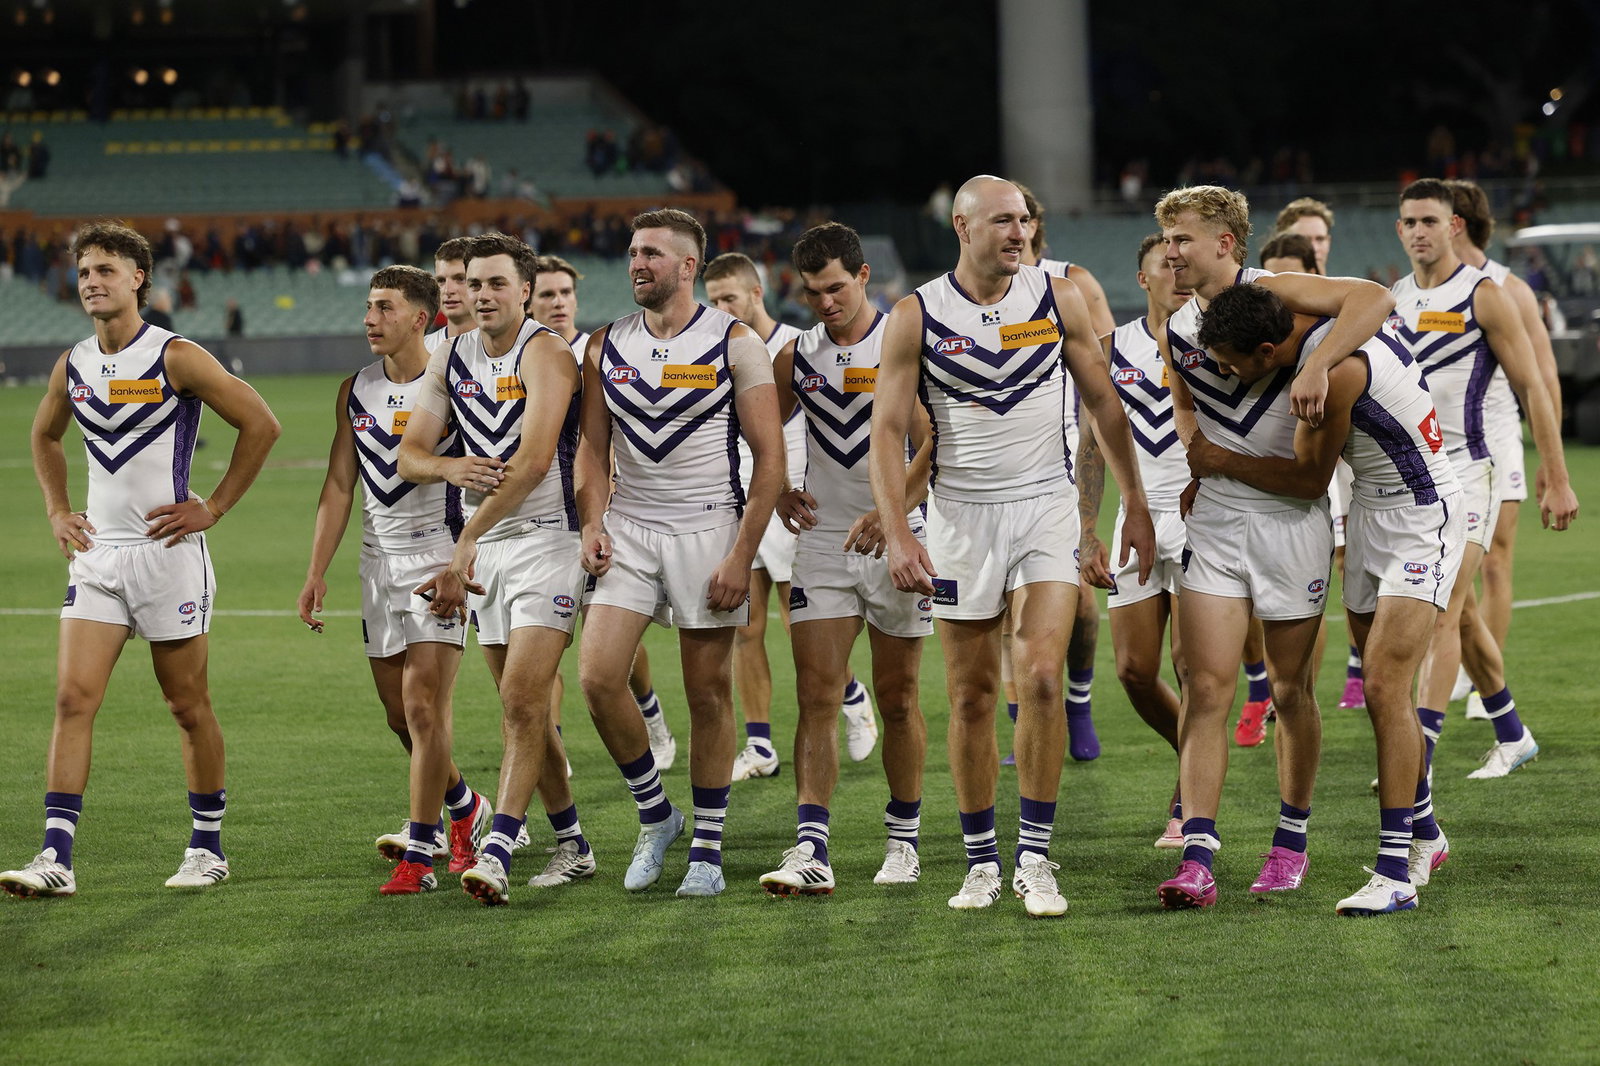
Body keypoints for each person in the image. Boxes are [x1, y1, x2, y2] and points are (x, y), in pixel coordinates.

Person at [870, 176, 1156, 917]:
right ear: (961, 225)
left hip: (1044, 510)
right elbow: (885, 434)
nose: (1018, 232)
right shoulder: (915, 315)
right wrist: (900, 528)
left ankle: (1034, 858)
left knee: (1037, 676)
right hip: (961, 517)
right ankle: (978, 863)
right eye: (1002, 220)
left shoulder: (1056, 298)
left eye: (1025, 219)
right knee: (969, 695)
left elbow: (1104, 406)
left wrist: (1134, 509)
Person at [2, 221, 281, 898]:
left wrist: (211, 507)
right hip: (98, 557)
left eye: (106, 270)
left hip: (169, 558)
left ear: (139, 282)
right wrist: (55, 509)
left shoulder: (175, 356)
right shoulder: (72, 362)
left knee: (187, 706)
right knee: (72, 699)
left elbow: (262, 424)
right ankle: (56, 857)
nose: (93, 281)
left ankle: (207, 848)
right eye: (85, 272)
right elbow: (44, 436)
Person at [1151, 184, 1396, 909]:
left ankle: (1291, 842)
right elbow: (1186, 401)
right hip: (1219, 521)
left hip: (1294, 519)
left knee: (1290, 690)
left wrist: (1317, 366)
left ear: (1226, 243)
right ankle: (1197, 854)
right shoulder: (1177, 323)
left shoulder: (1280, 292)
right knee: (1206, 688)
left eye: (1183, 239)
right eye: (1165, 241)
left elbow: (1376, 299)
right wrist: (1197, 457)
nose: (1171, 253)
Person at [1187, 282, 1464, 915]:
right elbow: (1369, 295)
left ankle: (1395, 871)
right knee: (1378, 680)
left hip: (1423, 514)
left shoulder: (1332, 373)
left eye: (1232, 363)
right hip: (1369, 511)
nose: (1228, 374)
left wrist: (1216, 460)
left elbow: (1310, 479)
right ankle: (1425, 829)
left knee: (1387, 687)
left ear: (1266, 348)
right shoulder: (1304, 324)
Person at [576, 209, 785, 898]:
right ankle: (656, 815)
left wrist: (740, 556)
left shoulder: (734, 342)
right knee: (599, 679)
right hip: (630, 530)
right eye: (633, 252)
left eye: (653, 255)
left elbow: (770, 459)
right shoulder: (604, 345)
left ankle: (707, 848)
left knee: (706, 694)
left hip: (709, 531)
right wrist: (590, 523)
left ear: (688, 266)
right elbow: (592, 449)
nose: (637, 263)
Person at [398, 232, 591, 905]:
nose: (480, 295)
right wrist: (450, 467)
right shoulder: (453, 353)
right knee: (524, 708)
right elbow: (410, 454)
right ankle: (574, 843)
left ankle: (500, 847)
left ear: (526, 290)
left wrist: (463, 542)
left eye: (496, 284)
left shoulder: (549, 354)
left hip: (548, 541)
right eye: (474, 284)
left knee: (520, 701)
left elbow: (536, 461)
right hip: (489, 549)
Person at [297, 265, 492, 895]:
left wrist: (467, 555)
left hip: (439, 557)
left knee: (423, 707)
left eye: (383, 307)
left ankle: (421, 852)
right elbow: (337, 484)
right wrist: (316, 569)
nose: (369, 318)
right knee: (398, 717)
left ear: (420, 317)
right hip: (376, 564)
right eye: (368, 307)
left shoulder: (455, 379)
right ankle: (464, 806)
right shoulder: (355, 389)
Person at [757, 222, 933, 894]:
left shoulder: (902, 343)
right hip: (826, 542)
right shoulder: (794, 356)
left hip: (899, 539)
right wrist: (776, 491)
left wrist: (890, 517)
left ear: (863, 277)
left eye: (835, 287)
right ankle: (811, 848)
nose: (824, 302)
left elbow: (932, 443)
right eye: (812, 292)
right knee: (815, 696)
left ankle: (904, 841)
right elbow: (762, 438)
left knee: (897, 697)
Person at [1385, 179, 1577, 783]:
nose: (1419, 231)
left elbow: (1535, 387)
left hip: (1474, 469)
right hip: (1417, 477)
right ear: (1400, 229)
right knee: (1462, 612)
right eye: (1409, 221)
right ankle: (1512, 732)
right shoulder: (1394, 297)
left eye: (1429, 221)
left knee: (1442, 609)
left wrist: (1557, 476)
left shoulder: (1486, 294)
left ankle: (1421, 759)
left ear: (1454, 226)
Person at [703, 252, 881, 782]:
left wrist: (786, 486)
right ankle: (760, 746)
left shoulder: (793, 348)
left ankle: (851, 694)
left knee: (797, 618)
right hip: (741, 494)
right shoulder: (718, 349)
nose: (720, 308)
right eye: (712, 301)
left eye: (729, 298)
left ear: (756, 294)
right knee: (744, 627)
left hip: (799, 502)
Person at [531, 253, 678, 772]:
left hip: (597, 511)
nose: (557, 302)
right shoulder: (523, 355)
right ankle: (550, 746)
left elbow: (607, 435)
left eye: (564, 293)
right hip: (540, 517)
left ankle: (651, 713)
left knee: (606, 628)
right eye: (546, 294)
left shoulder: (595, 351)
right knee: (539, 645)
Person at [1076, 234, 1193, 849]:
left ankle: (1188, 804)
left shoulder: (1211, 342)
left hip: (1205, 519)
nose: (1178, 274)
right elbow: (1091, 442)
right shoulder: (1107, 348)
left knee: (1193, 669)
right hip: (1136, 521)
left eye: (1184, 264)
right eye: (1165, 267)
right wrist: (1087, 529)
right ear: (1142, 280)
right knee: (1133, 670)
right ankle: (1197, 750)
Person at [1444, 180, 1564, 720]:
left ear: (1456, 223)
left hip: (1497, 444)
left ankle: (1479, 684)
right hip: (1441, 447)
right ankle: (1463, 663)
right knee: (1449, 572)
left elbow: (1542, 377)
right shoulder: (1422, 292)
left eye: (1433, 218)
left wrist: (1549, 462)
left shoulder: (1505, 289)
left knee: (1494, 561)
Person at [1007, 182, 1116, 764]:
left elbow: (1105, 369)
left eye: (1018, 219)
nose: (1011, 230)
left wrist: (1090, 440)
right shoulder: (966, 295)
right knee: (1003, 603)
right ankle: (1022, 716)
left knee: (1077, 595)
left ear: (1033, 224)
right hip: (994, 469)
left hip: (1063, 451)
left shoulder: (1068, 282)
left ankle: (1078, 704)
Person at [1273, 197, 1334, 275]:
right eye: (1303, 240)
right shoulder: (1258, 283)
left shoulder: (1348, 286)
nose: (1314, 248)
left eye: (1320, 239)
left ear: (1328, 242)